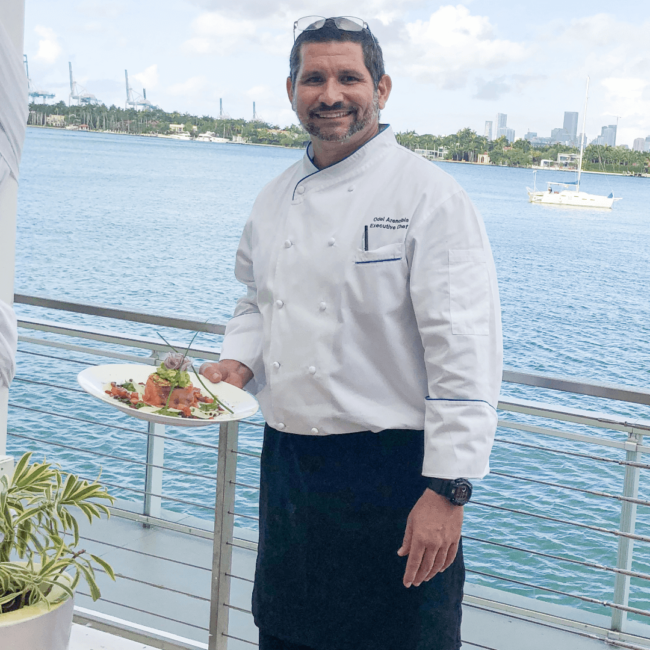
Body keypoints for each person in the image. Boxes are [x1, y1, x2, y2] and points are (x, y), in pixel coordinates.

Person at [201, 16, 502, 650]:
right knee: (286, 634)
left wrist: (448, 490)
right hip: (290, 468)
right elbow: (256, 301)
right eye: (314, 78)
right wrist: (239, 364)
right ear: (291, 91)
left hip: (395, 474)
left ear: (382, 88)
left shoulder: (431, 197)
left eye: (348, 77)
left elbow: (466, 352)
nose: (330, 94)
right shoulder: (274, 195)